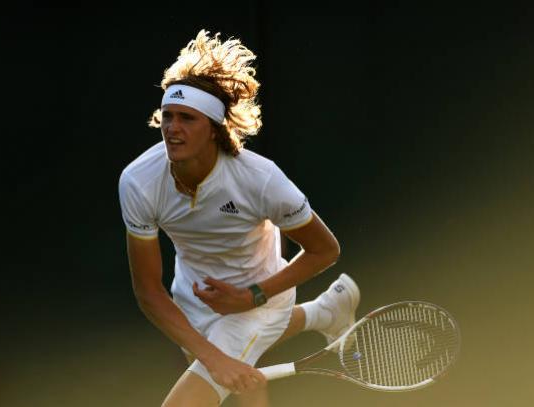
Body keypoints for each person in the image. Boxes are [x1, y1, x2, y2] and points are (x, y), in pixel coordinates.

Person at [118, 30, 360, 407]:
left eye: (186, 118)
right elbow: (148, 290)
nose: (172, 128)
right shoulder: (138, 181)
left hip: (262, 300)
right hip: (192, 299)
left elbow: (324, 250)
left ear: (214, 130)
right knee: (244, 388)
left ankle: (317, 313)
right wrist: (214, 358)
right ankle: (324, 312)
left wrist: (253, 296)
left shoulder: (261, 179)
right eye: (167, 117)